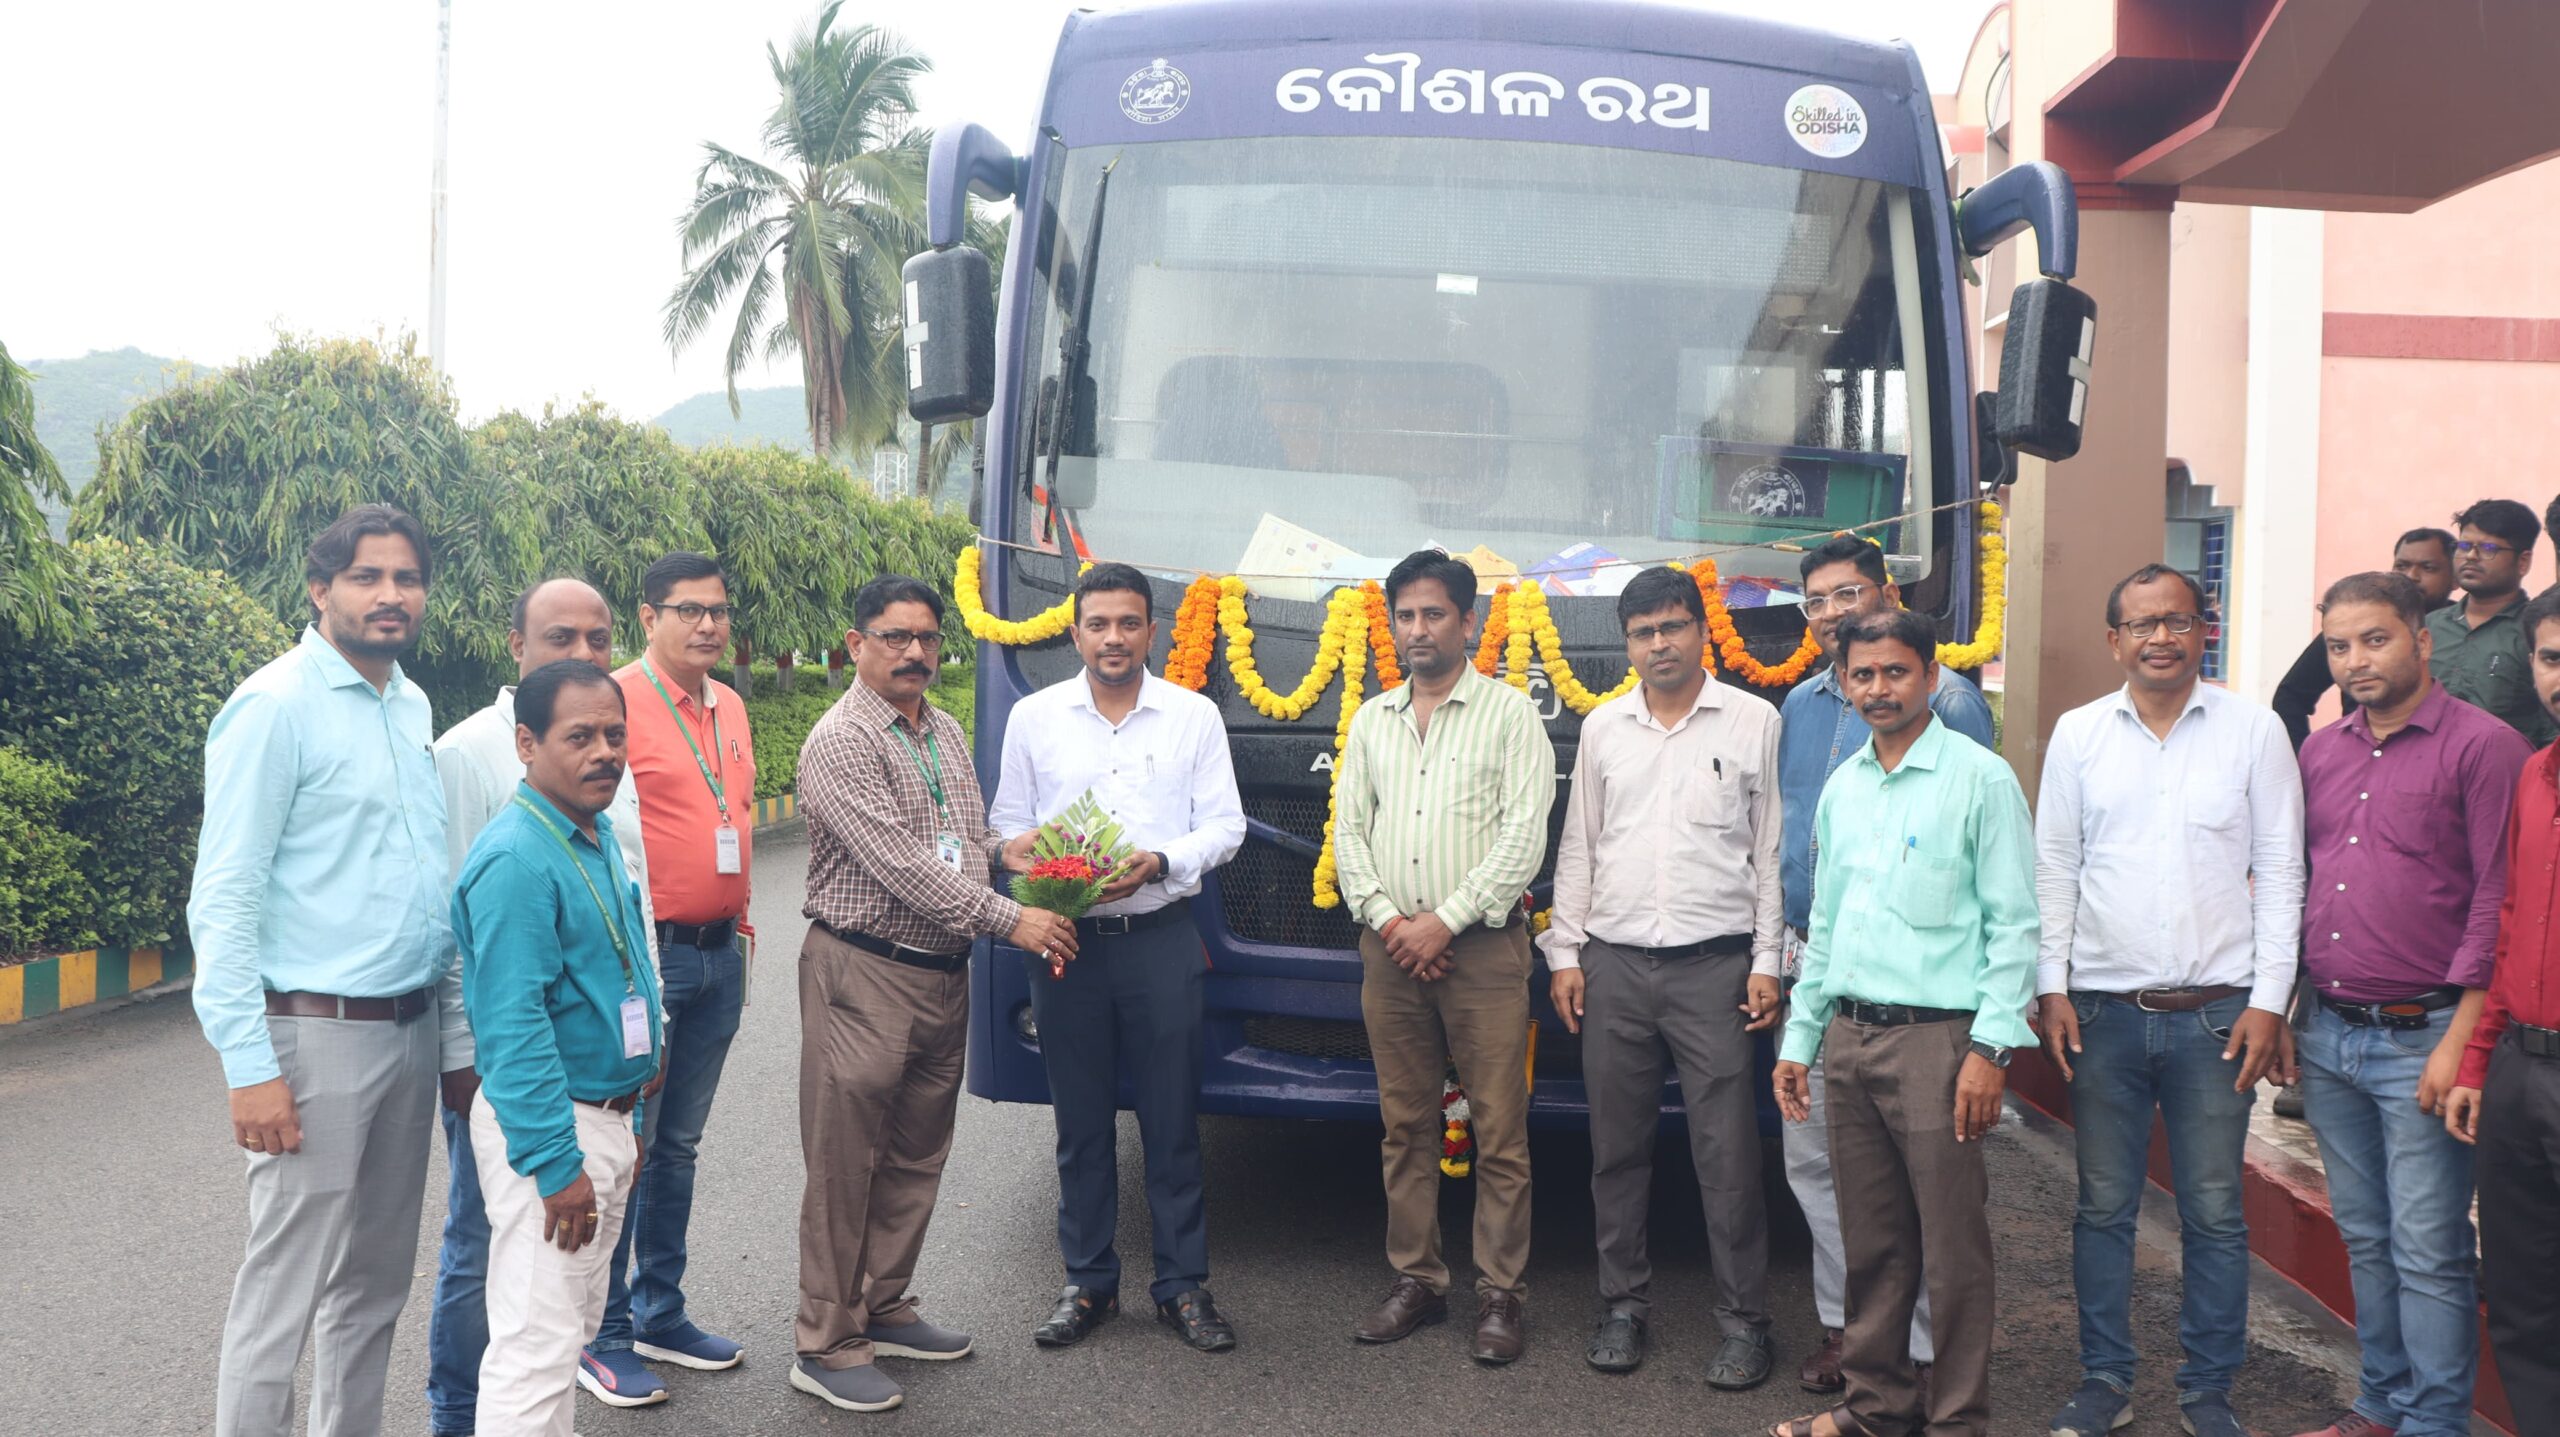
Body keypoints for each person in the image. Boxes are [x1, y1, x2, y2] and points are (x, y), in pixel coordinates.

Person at [190, 503, 462, 1437]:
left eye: (407, 578)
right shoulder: (273, 706)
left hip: (410, 1029)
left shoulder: (410, 704)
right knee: (284, 1294)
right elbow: (223, 898)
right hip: (313, 1038)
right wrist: (249, 1065)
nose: (391, 595)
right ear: (320, 590)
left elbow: (424, 878)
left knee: (374, 1286)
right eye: (366, 576)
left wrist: (450, 1040)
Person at [790, 574, 1084, 1413]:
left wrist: (1009, 851)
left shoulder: (944, 728)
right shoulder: (841, 740)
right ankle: (825, 1341)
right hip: (863, 970)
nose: (915, 651)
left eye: (927, 637)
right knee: (846, 1160)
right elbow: (900, 864)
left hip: (941, 973)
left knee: (917, 1152)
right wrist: (1012, 918)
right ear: (856, 644)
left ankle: (884, 1304)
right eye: (895, 636)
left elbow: (955, 841)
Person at [2032, 565, 2306, 1437]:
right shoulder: (2079, 733)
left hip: (2219, 1017)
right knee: (2102, 1206)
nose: (2161, 637)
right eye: (2143, 624)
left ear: (2203, 630)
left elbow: (2283, 871)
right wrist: (2050, 984)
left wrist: (2271, 999)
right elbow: (2056, 866)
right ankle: (2104, 1380)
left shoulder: (2254, 730)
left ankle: (2208, 1391)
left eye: (2178, 621)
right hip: (2103, 1014)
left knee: (2215, 1213)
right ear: (2114, 639)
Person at [1768, 608, 2038, 1437]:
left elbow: (2015, 926)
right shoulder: (1844, 787)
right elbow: (1826, 928)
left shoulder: (1981, 779)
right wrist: (1801, 1040)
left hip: (1939, 1045)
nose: (1878, 688)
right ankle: (1877, 1406)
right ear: (1843, 682)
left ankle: (1957, 1420)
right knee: (1873, 1242)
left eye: (1895, 671)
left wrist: (1991, 1048)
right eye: (1863, 674)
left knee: (1952, 1251)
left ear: (1930, 674)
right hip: (1849, 1039)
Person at [2288, 570, 2527, 1437]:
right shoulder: (2321, 752)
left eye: (2375, 639)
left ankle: (2435, 1422)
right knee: (2365, 1235)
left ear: (2422, 640)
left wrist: (2460, 1042)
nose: (2355, 660)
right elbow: (2303, 882)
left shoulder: (2486, 746)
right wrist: (2291, 1015)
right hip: (2329, 1033)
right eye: (2339, 646)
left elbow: (2497, 897)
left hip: (2424, 1035)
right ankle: (2381, 1404)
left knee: (2428, 1247)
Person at [990, 563, 1247, 1353]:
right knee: (1080, 1124)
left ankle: (1182, 1285)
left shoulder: (1193, 715)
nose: (1113, 638)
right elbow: (1004, 828)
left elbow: (1226, 825)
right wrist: (1026, 855)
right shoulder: (1034, 717)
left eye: (1128, 623)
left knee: (1171, 1121)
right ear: (1075, 633)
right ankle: (1088, 1281)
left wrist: (1162, 860)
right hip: (1066, 944)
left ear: (1151, 631)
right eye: (1098, 624)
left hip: (1160, 939)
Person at [1540, 565, 1784, 1386]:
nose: (1659, 644)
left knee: (1729, 1154)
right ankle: (1622, 1305)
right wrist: (1566, 953)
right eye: (1643, 632)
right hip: (1612, 965)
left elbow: (1770, 852)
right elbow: (1581, 844)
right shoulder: (1605, 727)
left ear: (1702, 630)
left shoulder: (1753, 720)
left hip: (1715, 969)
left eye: (1673, 626)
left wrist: (1766, 961)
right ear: (1628, 644)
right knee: (1617, 1150)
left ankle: (1745, 1322)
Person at [425, 577, 654, 1436]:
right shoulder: (517, 857)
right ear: (526, 743)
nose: (604, 753)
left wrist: (629, 1114)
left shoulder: (588, 831)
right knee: (533, 1347)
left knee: (564, 1336)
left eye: (614, 735)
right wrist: (557, 1164)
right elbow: (512, 1026)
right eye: (578, 737)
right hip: (552, 1126)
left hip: (602, 1117)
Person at [1333, 549, 1556, 1366]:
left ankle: (1501, 1293)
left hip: (1484, 953)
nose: (1418, 629)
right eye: (1406, 615)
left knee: (1500, 1128)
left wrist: (1446, 921)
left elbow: (1524, 836)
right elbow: (1348, 833)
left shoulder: (1510, 714)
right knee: (1405, 1125)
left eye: (1434, 614)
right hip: (1390, 952)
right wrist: (1394, 922)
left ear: (1468, 621)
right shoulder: (1373, 719)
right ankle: (1418, 1279)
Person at [583, 552, 757, 1406]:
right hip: (646, 957)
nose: (708, 624)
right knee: (626, 1146)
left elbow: (734, 817)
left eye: (718, 610)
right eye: (689, 609)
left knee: (677, 1145)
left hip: (721, 953)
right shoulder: (613, 702)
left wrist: (743, 927)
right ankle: (602, 1330)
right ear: (648, 617)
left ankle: (660, 1310)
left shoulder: (730, 705)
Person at [2444, 586, 2560, 1419]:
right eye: (2552, 657)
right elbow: (2513, 924)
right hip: (2521, 1069)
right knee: (2522, 1299)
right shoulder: (2533, 774)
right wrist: (2480, 1060)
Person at [2272, 529, 2456, 752]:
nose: (2412, 575)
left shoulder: (2464, 630)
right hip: (2360, 756)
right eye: (2402, 566)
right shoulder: (2353, 627)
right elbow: (2290, 696)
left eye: (2428, 568)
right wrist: (2304, 758)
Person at [2426, 498, 2555, 747]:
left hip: (2509, 766)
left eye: (2488, 548)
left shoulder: (2536, 632)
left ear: (2523, 562)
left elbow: (2550, 726)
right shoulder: (2430, 627)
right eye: (2464, 546)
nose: (2470, 556)